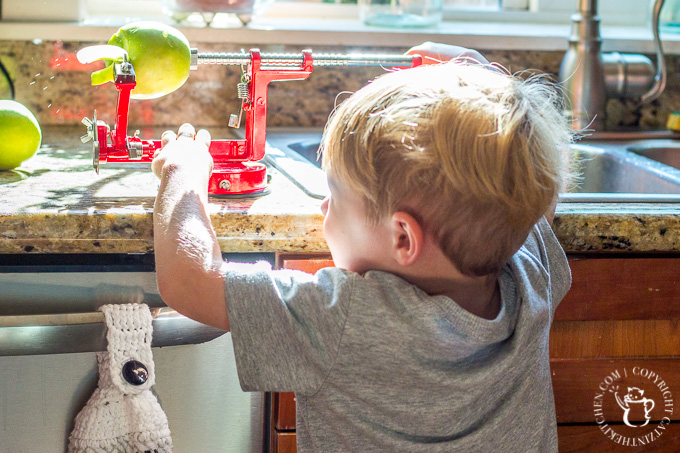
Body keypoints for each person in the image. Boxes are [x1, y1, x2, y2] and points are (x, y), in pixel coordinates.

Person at [151, 43, 573, 452]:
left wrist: (182, 171)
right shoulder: (529, 278)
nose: (323, 205)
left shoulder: (343, 318)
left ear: (402, 239)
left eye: (334, 193)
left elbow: (189, 281)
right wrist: (486, 79)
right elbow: (532, 192)